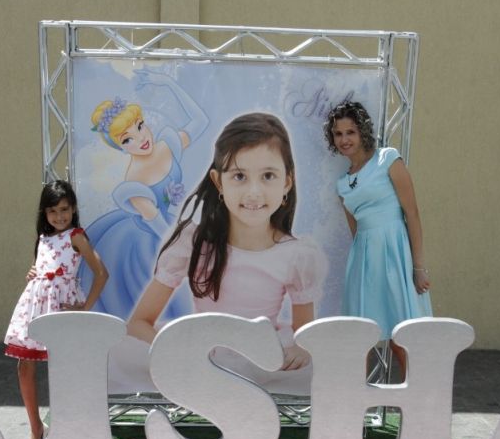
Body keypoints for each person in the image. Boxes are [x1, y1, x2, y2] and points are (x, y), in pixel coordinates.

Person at [128, 112, 327, 380]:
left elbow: (305, 339)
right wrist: (177, 355)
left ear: (287, 182)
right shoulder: (193, 243)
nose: (253, 192)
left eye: (268, 175)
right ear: (218, 181)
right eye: (239, 176)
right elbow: (138, 324)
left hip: (263, 367)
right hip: (200, 363)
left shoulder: (297, 255)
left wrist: (300, 352)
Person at [78, 70, 209, 321]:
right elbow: (162, 231)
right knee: (165, 301)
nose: (141, 139)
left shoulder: (166, 145)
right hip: (148, 242)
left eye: (140, 127)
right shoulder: (134, 184)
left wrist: (169, 84)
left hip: (169, 228)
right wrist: (189, 253)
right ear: (120, 147)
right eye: (128, 140)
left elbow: (200, 121)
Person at [324, 101, 431, 375]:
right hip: (364, 263)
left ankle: (419, 405)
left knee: (402, 338)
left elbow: (413, 214)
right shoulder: (342, 185)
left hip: (396, 256)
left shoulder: (388, 160)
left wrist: (418, 268)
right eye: (338, 134)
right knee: (362, 338)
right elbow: (356, 232)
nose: (345, 139)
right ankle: (356, 409)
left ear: (362, 133)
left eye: (350, 132)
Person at [4, 180, 108, 439]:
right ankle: (35, 428)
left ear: (73, 209)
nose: (59, 216)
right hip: (35, 308)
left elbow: (101, 273)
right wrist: (32, 272)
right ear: (44, 213)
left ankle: (72, 429)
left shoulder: (76, 236)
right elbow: (42, 269)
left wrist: (84, 308)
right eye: (52, 211)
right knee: (24, 366)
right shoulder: (42, 239)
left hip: (62, 308)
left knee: (67, 370)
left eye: (64, 209)